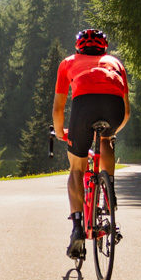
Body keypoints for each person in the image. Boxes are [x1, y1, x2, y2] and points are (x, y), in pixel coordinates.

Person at [53, 28, 130, 259]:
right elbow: (126, 111)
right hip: (113, 108)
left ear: (79, 47)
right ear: (104, 48)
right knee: (106, 139)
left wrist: (59, 132)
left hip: (84, 107)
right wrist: (112, 130)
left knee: (77, 168)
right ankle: (109, 188)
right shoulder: (115, 63)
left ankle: (77, 226)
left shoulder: (68, 63)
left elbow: (58, 108)